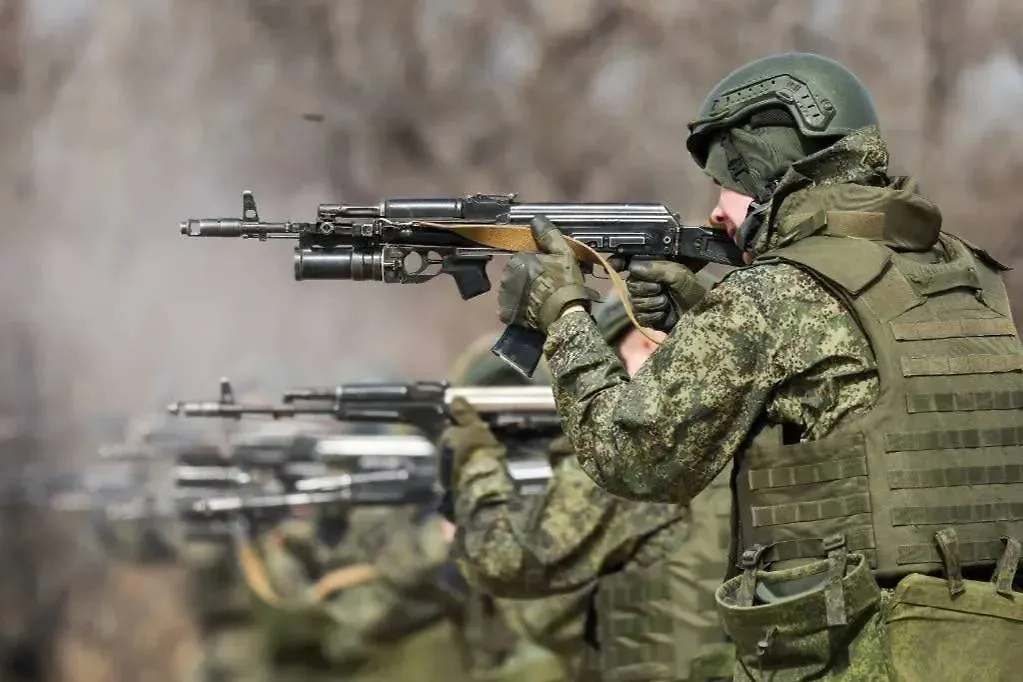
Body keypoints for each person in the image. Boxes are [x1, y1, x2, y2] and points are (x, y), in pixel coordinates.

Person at [494, 51, 1023, 680]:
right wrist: (700, 318)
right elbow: (851, 400)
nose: (717, 208)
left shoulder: (772, 294)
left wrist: (564, 317)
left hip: (859, 651)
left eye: (728, 174)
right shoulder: (968, 274)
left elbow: (630, 454)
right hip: (983, 641)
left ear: (769, 165)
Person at [444, 295, 734, 682]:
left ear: (646, 346)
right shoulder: (755, 428)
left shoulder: (636, 458)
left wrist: (475, 457)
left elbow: (504, 559)